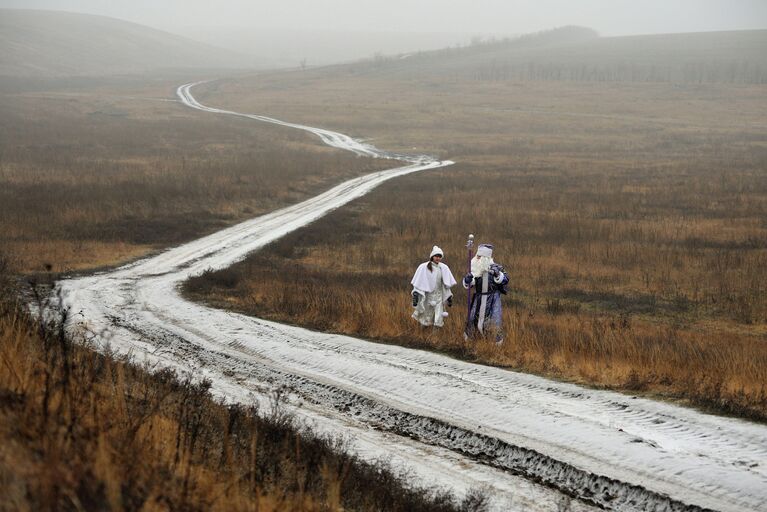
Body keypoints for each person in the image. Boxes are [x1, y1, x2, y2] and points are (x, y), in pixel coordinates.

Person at [463, 243, 509, 343]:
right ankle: (472, 341)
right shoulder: (474, 268)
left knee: (494, 321)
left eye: (480, 256)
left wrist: (497, 274)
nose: (477, 258)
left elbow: (505, 280)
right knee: (473, 319)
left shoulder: (497, 268)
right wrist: (467, 280)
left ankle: (495, 344)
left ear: (486, 257)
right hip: (478, 298)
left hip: (493, 299)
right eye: (477, 256)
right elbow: (470, 285)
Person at [410, 245, 457, 327]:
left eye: (439, 256)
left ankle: (435, 336)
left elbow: (445, 284)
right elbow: (419, 282)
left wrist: (448, 296)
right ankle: (422, 334)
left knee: (438, 317)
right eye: (436, 256)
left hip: (439, 296)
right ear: (432, 256)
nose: (438, 258)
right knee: (426, 315)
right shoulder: (424, 267)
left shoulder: (443, 268)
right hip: (428, 296)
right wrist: (416, 294)